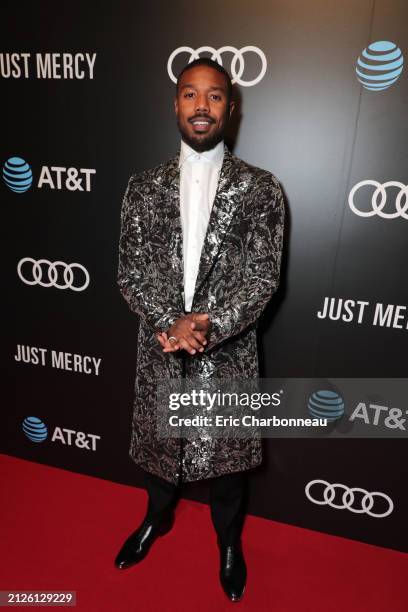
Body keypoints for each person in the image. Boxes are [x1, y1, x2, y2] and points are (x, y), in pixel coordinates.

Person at [115, 57, 285, 602]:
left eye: (214, 96)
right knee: (161, 454)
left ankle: (229, 542)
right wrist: (171, 323)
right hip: (163, 348)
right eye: (191, 95)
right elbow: (130, 271)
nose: (202, 106)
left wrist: (207, 326)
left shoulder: (261, 189)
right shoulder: (143, 188)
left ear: (229, 108)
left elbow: (262, 279)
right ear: (176, 104)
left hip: (226, 357)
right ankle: (154, 521)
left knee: (227, 470)